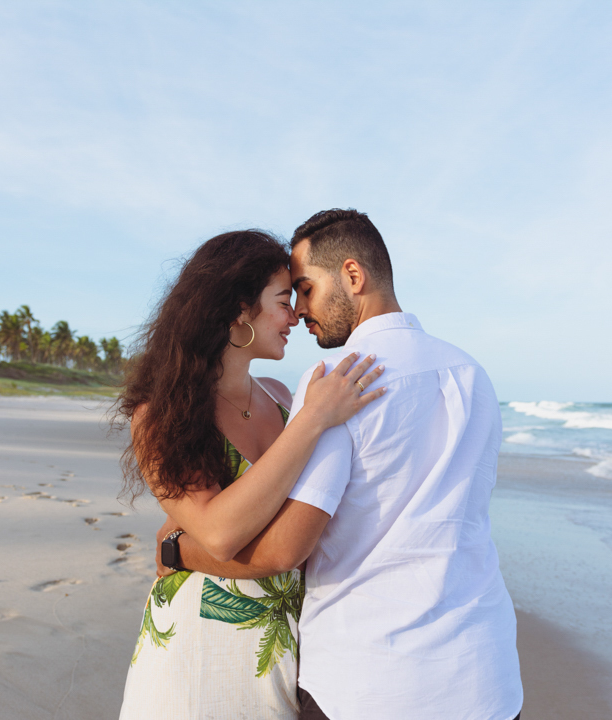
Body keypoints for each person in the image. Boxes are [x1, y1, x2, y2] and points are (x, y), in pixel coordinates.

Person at [157, 210, 524, 720]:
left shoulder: (337, 378)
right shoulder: (471, 373)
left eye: (305, 289)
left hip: (373, 681)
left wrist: (179, 552)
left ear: (353, 276)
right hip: (486, 676)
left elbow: (286, 548)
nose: (300, 311)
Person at [115, 229, 386, 720]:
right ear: (241, 309)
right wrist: (313, 420)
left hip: (290, 649)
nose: (297, 314)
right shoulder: (161, 413)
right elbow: (220, 532)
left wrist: (180, 546)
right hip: (199, 649)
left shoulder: (284, 397)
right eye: (285, 300)